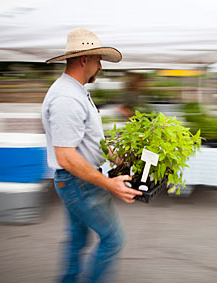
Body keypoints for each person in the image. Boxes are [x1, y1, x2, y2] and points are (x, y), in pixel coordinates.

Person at [41, 28, 142, 283]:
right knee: (113, 239)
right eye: (98, 60)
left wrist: (119, 159)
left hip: (77, 182)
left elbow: (90, 140)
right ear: (84, 60)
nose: (100, 67)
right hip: (79, 183)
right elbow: (65, 157)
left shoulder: (76, 91)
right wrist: (109, 183)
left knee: (77, 240)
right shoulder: (66, 98)